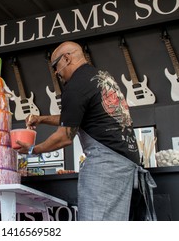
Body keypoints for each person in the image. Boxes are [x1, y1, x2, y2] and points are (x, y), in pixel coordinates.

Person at [15, 41, 156, 221]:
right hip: (127, 168)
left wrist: (31, 149)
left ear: (66, 58)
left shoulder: (75, 85)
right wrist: (42, 119)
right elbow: (76, 117)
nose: (57, 73)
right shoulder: (100, 77)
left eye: (55, 67)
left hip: (107, 170)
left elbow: (64, 137)